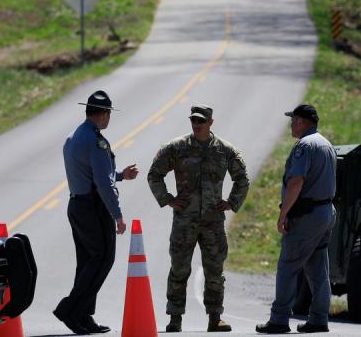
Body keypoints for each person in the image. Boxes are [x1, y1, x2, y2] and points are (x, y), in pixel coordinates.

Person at [147, 104, 250, 333]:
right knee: (179, 269)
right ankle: (175, 319)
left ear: (211, 122)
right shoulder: (176, 148)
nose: (197, 124)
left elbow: (242, 179)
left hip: (213, 223)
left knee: (214, 271)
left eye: (201, 121)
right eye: (194, 120)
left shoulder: (224, 150)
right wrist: (168, 199)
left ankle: (215, 318)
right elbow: (155, 174)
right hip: (185, 222)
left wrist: (232, 203)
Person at [54, 90, 138, 334]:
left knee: (88, 262)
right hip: (93, 208)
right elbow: (102, 183)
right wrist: (118, 215)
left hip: (78, 205)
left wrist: (121, 175)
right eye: (108, 113)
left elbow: (94, 175)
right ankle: (70, 311)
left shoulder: (74, 137)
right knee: (102, 259)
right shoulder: (96, 141)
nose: (109, 118)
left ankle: (84, 316)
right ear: (103, 114)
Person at [256, 104, 336, 334]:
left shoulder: (305, 145)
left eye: (293, 120)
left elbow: (296, 182)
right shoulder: (326, 144)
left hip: (307, 215)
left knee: (288, 266)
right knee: (317, 267)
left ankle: (279, 320)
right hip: (325, 212)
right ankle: (319, 319)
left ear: (302, 121)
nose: (291, 123)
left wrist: (283, 214)